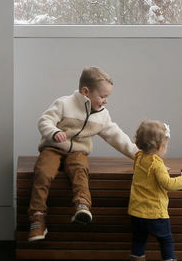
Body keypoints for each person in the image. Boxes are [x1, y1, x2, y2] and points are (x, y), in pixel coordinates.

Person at [27, 66, 138, 242]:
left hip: (78, 151)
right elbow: (44, 120)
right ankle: (37, 216)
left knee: (80, 170)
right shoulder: (64, 103)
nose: (106, 101)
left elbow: (117, 137)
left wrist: (139, 156)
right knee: (43, 173)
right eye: (102, 96)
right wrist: (54, 132)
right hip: (53, 147)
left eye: (107, 97)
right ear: (86, 92)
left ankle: (82, 206)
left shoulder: (102, 116)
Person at [127, 120, 182, 261]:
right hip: (155, 213)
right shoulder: (157, 165)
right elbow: (168, 184)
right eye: (166, 146)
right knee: (166, 240)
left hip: (136, 212)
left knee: (139, 239)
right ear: (158, 147)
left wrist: (162, 170)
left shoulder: (139, 157)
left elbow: (145, 172)